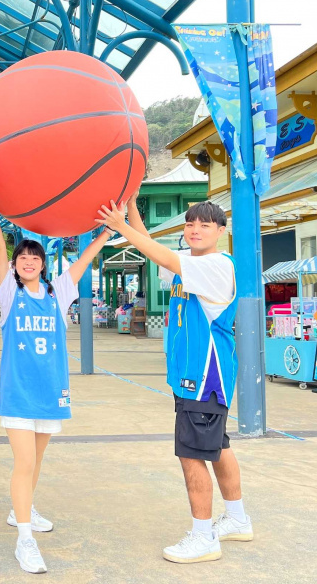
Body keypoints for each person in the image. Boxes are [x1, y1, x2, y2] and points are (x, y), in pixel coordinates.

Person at [98, 195, 252, 564]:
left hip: (204, 376)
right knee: (218, 447)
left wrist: (120, 227)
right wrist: (131, 207)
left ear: (221, 231)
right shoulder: (190, 265)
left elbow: (163, 256)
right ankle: (237, 518)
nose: (195, 230)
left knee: (191, 455)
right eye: (190, 223)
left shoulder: (216, 265)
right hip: (192, 375)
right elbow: (154, 250)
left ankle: (203, 537)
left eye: (205, 225)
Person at [0, 184, 111, 574]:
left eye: (34, 257)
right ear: (16, 264)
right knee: (24, 462)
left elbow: (85, 257)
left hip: (51, 391)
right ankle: (25, 540)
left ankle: (21, 510)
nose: (27, 261)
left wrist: (108, 231)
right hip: (19, 391)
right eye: (22, 257)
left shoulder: (58, 293)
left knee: (35, 462)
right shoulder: (8, 293)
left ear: (42, 264)